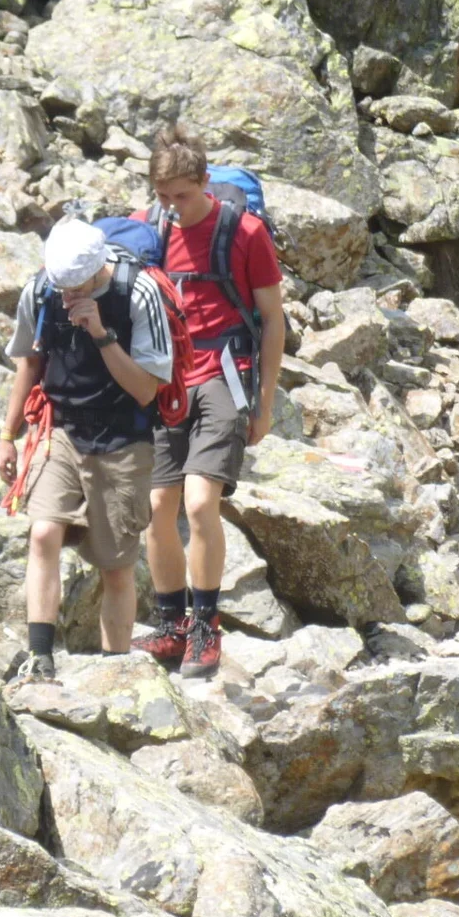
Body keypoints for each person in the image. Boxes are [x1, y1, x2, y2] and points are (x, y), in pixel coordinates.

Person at [132, 127, 285, 678]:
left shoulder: (244, 232)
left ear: (205, 183)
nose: (173, 208)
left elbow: (273, 321)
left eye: (182, 196)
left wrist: (264, 403)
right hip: (168, 380)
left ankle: (205, 627)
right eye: (164, 196)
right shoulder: (150, 228)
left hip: (225, 374)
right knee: (156, 508)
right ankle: (171, 625)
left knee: (199, 504)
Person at [0, 217, 174, 685]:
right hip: (61, 429)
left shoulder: (138, 294)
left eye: (76, 286)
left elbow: (146, 390)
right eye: (61, 286)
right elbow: (30, 362)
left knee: (115, 565)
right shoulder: (41, 290)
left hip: (123, 438)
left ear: (98, 271)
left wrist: (101, 334)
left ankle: (114, 669)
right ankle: (40, 657)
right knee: (42, 535)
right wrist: (7, 435)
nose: (66, 295)